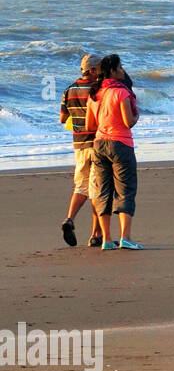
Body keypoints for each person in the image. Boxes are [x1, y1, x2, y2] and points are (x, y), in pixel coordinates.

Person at [84, 54, 141, 250]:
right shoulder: (121, 92)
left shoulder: (94, 94)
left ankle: (106, 239)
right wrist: (136, 115)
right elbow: (128, 122)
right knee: (125, 190)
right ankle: (125, 237)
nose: (122, 70)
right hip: (121, 143)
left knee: (103, 191)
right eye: (120, 67)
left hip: (99, 144)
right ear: (113, 71)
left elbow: (89, 125)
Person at [58, 53, 99, 247]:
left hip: (79, 144)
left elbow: (62, 118)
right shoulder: (97, 89)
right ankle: (95, 234)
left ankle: (69, 218)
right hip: (98, 142)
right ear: (91, 70)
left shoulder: (69, 90)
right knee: (97, 189)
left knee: (81, 185)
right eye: (99, 69)